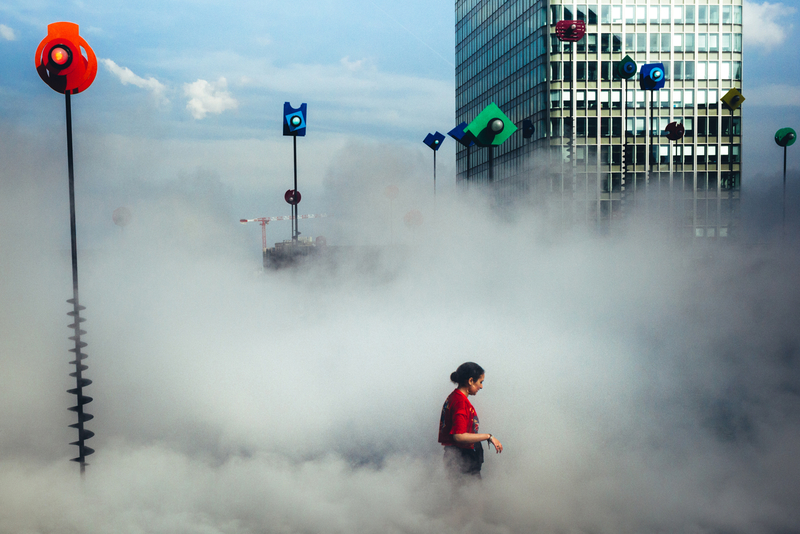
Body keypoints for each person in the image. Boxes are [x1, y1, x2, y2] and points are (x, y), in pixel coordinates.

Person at [438, 362, 503, 479]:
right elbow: (459, 436)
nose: (481, 386)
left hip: (458, 461)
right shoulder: (460, 403)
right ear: (471, 381)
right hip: (463, 463)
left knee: (461, 495)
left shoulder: (454, 397)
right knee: (469, 496)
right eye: (480, 382)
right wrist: (489, 436)